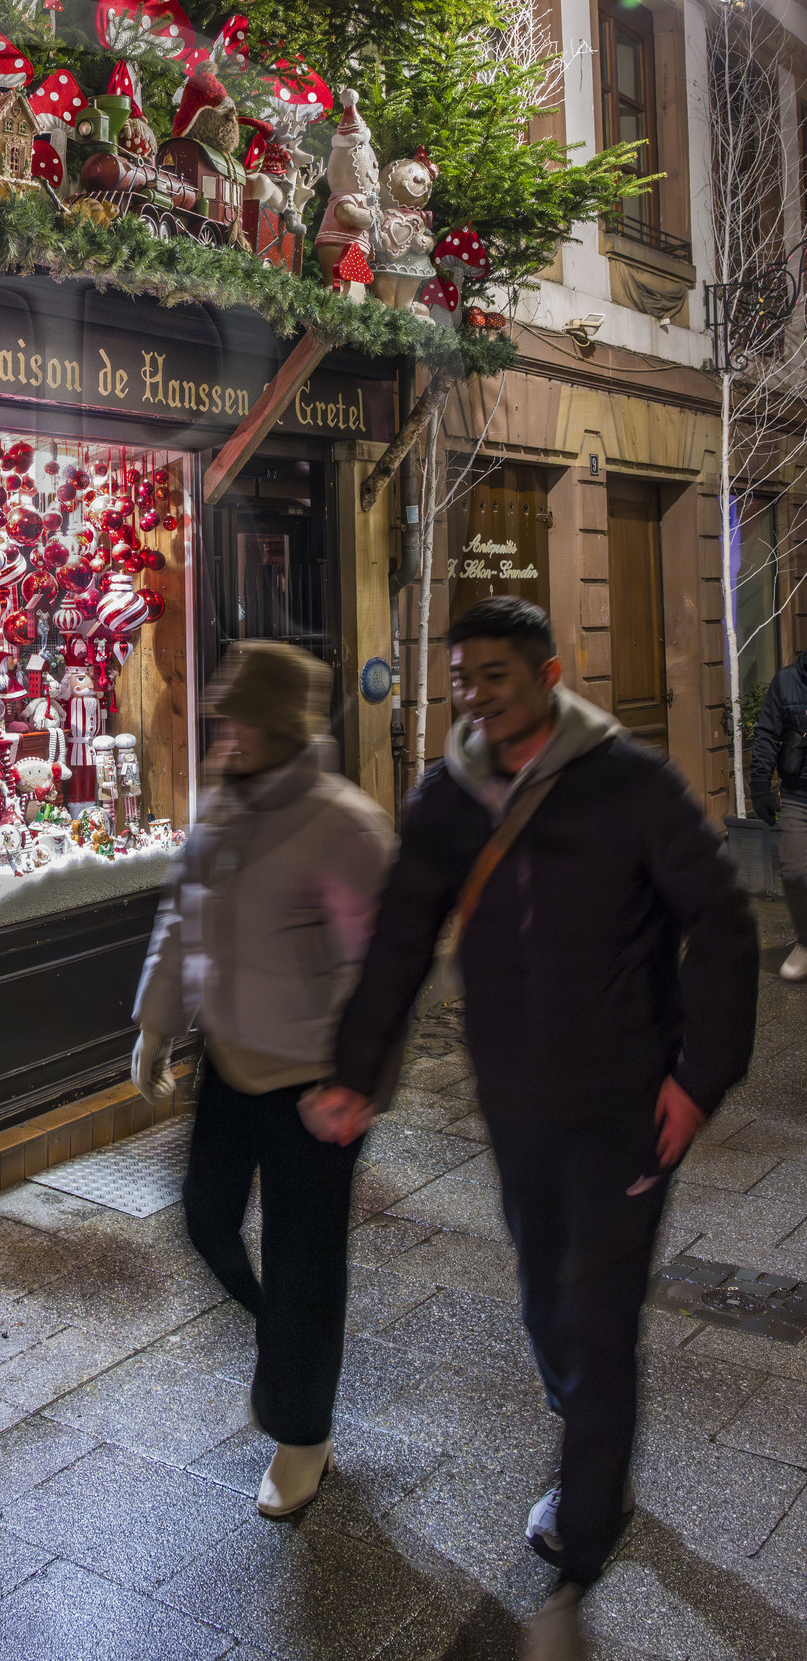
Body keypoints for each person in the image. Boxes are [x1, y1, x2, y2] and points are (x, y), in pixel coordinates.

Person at [304, 597, 757, 1660]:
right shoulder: (448, 798)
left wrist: (698, 1079)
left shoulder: (630, 785)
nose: (472, 694)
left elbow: (723, 926)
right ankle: (584, 1430)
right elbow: (401, 937)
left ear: (548, 672)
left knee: (596, 1323)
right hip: (512, 1106)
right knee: (544, 1300)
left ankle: (587, 1530)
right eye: (460, 675)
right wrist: (357, 1075)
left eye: (493, 674)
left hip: (625, 1107)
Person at [132, 640, 394, 1521]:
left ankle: (301, 1432)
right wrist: (155, 1026)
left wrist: (361, 1081)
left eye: (239, 718)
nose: (225, 732)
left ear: (280, 727)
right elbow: (181, 916)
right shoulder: (222, 809)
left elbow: (388, 967)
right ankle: (286, 1338)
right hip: (231, 1066)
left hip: (315, 1086)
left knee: (303, 1259)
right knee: (207, 1222)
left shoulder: (342, 824)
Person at [747, 649, 807, 981]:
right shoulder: (787, 680)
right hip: (799, 792)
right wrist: (759, 785)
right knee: (794, 868)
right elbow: (767, 733)